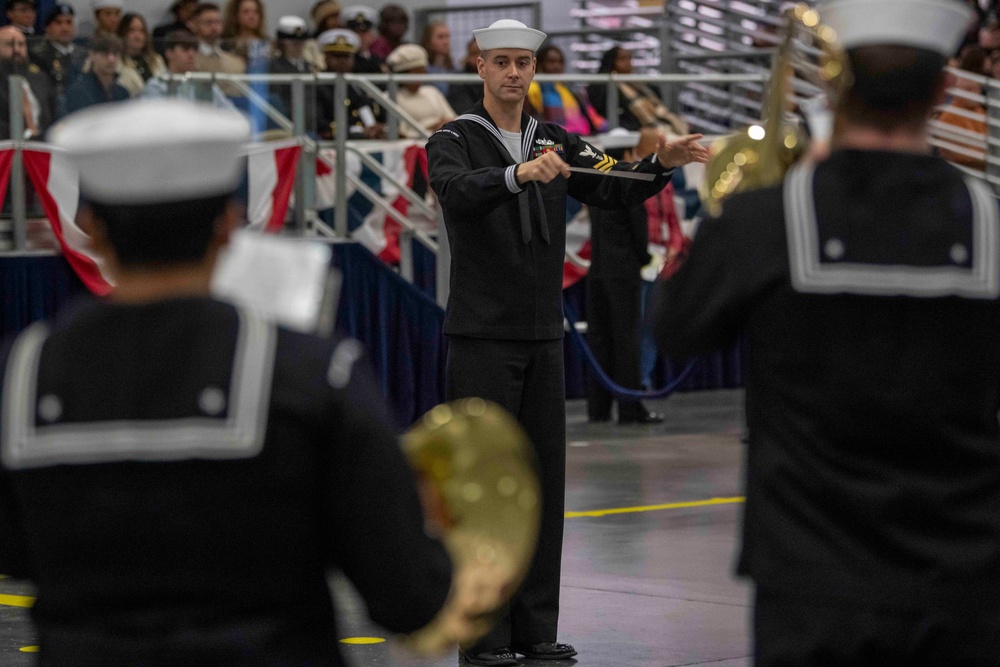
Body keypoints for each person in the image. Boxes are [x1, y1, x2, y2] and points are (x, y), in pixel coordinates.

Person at [0, 97, 512, 666]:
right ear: (228, 225)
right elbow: (406, 597)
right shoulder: (313, 373)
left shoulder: (21, 373)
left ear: (89, 229)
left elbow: (17, 552)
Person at [652, 0, 1000, 664]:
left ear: (833, 86)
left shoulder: (764, 222)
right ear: (946, 89)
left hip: (811, 585)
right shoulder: (990, 221)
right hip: (966, 580)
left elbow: (675, 330)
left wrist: (729, 213)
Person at [426, 18, 708, 667]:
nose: (513, 73)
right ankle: (484, 635)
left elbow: (611, 183)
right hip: (481, 333)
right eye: (500, 62)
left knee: (543, 483)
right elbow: (456, 192)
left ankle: (533, 629)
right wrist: (519, 174)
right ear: (479, 68)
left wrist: (659, 163)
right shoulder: (454, 137)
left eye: (523, 62)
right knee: (485, 487)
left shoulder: (555, 137)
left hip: (541, 333)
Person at [585, 129, 664, 425]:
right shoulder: (628, 185)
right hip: (624, 272)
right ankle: (631, 409)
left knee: (600, 341)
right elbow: (638, 232)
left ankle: (598, 409)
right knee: (626, 340)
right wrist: (645, 259)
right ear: (629, 152)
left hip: (598, 271)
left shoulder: (595, 186)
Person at [315, 28, 385, 139]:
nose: (342, 61)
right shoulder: (318, 85)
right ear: (326, 57)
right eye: (337, 56)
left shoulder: (357, 83)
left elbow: (364, 107)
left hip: (365, 140)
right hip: (336, 143)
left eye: (347, 56)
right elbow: (321, 124)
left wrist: (373, 127)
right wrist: (359, 131)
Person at [142, 29, 234, 109]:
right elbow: (156, 121)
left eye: (194, 49)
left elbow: (231, 114)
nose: (191, 55)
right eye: (185, 49)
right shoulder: (156, 86)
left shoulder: (205, 85)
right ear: (169, 53)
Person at [526, 44, 605, 135]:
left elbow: (591, 116)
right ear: (539, 64)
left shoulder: (569, 88)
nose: (557, 66)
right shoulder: (533, 87)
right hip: (554, 137)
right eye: (551, 62)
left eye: (560, 62)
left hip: (582, 135)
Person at [386, 43, 455, 138]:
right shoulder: (391, 97)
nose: (423, 75)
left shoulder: (432, 92)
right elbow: (402, 133)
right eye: (417, 71)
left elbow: (452, 118)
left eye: (423, 71)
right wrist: (434, 127)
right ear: (404, 74)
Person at [0, 24, 55, 139]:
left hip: (43, 147)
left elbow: (53, 115)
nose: (17, 50)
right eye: (10, 44)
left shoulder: (40, 78)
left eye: (21, 44)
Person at [29, 2, 86, 110]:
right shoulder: (37, 55)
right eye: (58, 23)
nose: (64, 28)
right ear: (47, 28)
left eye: (69, 22)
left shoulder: (84, 54)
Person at [63, 33, 129, 113]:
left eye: (115, 54)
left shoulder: (122, 93)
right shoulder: (78, 92)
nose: (111, 59)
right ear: (92, 54)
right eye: (105, 54)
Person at [191, 1, 246, 97]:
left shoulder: (236, 61)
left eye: (218, 22)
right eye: (208, 22)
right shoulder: (190, 59)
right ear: (195, 25)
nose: (214, 27)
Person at [116, 12, 166, 96]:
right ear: (122, 34)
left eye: (141, 31)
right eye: (132, 31)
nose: (137, 36)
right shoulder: (116, 62)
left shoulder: (157, 60)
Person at [340, 5, 382, 74]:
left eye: (364, 32)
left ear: (372, 35)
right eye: (354, 31)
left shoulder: (378, 60)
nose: (358, 36)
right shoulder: (339, 61)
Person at [445, 35, 480, 115]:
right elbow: (466, 112)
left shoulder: (497, 80)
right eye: (474, 53)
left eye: (483, 54)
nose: (478, 58)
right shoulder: (459, 81)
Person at [420, 20, 452, 95]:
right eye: (440, 37)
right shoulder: (423, 70)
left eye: (447, 36)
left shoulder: (454, 69)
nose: (445, 42)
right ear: (428, 40)